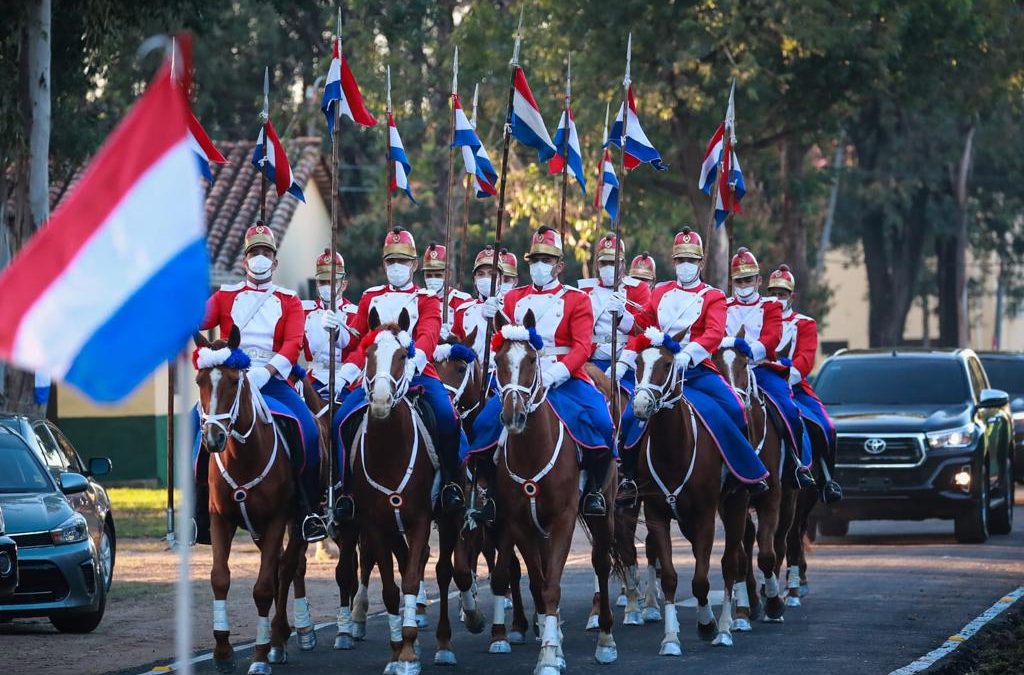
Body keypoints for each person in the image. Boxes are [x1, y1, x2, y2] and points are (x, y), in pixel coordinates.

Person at [470, 226, 617, 516]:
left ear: (559, 266)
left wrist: (555, 373)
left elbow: (582, 347)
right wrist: (490, 320)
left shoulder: (577, 299)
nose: (540, 265)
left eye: (547, 260)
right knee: (483, 424)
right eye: (535, 259)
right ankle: (490, 492)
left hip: (564, 375)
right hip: (522, 378)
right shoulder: (513, 299)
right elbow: (504, 344)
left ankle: (594, 491)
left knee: (601, 422)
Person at [195, 223, 327, 543]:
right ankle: (199, 513)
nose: (260, 258)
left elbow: (293, 344)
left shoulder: (289, 299)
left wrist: (265, 372)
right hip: (230, 381)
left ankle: (308, 510)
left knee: (308, 431)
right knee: (192, 426)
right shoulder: (225, 296)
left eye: (266, 253)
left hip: (272, 380)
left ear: (275, 262)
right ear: (245, 260)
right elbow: (197, 322)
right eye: (254, 253)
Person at [617, 227, 770, 495]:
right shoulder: (660, 291)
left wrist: (689, 354)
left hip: (697, 370)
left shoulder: (713, 296)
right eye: (680, 260)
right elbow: (643, 326)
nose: (685, 265)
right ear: (674, 262)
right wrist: (621, 317)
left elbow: (713, 333)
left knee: (735, 408)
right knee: (631, 414)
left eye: (690, 260)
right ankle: (627, 477)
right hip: (661, 370)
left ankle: (740, 471)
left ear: (700, 263)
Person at [330, 227, 468, 521]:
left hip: (417, 372)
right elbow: (358, 343)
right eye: (391, 261)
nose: (396, 267)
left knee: (447, 416)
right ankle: (346, 492)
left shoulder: (427, 298)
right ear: (384, 265)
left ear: (415, 265)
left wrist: (411, 363)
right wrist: (345, 369)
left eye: (402, 261)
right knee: (340, 420)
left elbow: (429, 335)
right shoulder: (370, 297)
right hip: (376, 376)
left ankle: (450, 484)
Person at [724, 248, 815, 489]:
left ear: (758, 280)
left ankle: (797, 463)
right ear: (732, 282)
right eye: (739, 280)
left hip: (762, 369)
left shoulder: (770, 307)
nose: (743, 284)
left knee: (789, 410)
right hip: (730, 371)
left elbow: (772, 337)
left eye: (748, 279)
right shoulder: (723, 305)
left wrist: (749, 351)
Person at [766, 265, 843, 503]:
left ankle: (826, 479)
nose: (778, 298)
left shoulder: (804, 323)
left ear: (792, 296)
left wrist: (788, 377)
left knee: (827, 427)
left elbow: (806, 358)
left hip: (794, 386)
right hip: (761, 382)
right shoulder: (759, 319)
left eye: (783, 294)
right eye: (774, 293)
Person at [579, 233, 651, 374]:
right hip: (593, 358)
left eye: (613, 263)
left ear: (623, 264)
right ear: (597, 264)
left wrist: (623, 363)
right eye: (604, 263)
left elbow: (643, 330)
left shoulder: (638, 289)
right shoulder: (585, 290)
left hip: (628, 360)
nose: (608, 267)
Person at [302, 249, 358, 401]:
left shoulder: (355, 313)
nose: (327, 286)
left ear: (344, 284)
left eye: (332, 281)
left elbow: (358, 351)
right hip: (313, 380)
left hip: (347, 381)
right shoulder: (304, 310)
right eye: (323, 282)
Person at [451, 245, 519, 358]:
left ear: (501, 279)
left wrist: (498, 316)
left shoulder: (513, 307)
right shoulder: (463, 310)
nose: (486, 278)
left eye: (492, 274)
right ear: (474, 279)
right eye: (480, 274)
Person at [421, 242, 472, 323]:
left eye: (438, 275)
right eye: (429, 275)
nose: (433, 279)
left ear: (448, 275)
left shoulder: (462, 301)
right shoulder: (418, 299)